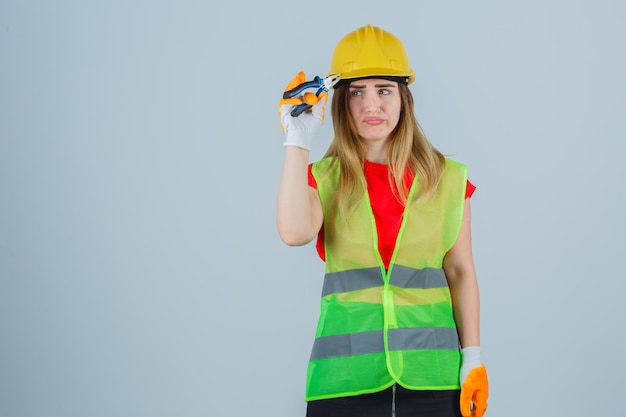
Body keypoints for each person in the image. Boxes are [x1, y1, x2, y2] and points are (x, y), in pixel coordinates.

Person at [276, 24, 489, 417]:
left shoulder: (448, 179)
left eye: (383, 90)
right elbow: (293, 233)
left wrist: (472, 358)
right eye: (357, 92)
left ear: (404, 99)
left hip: (433, 379)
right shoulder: (323, 178)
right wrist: (297, 140)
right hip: (344, 382)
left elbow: (460, 272)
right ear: (340, 102)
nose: (371, 105)